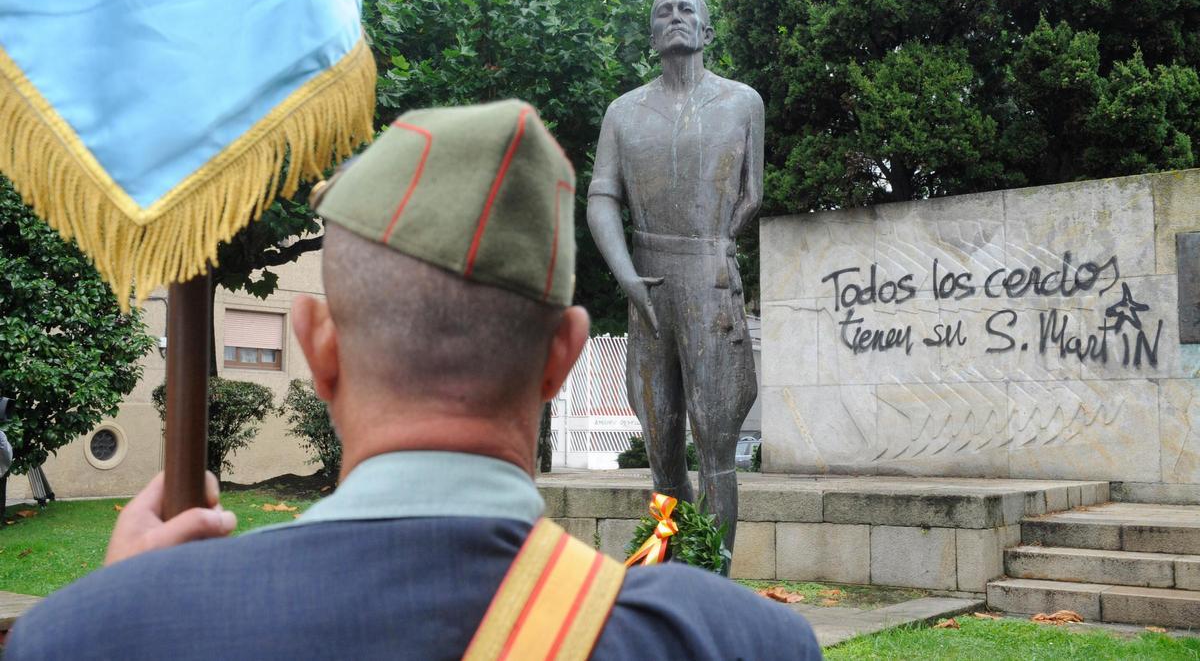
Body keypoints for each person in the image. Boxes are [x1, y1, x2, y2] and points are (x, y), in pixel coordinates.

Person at [6, 100, 819, 660]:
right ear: (563, 355)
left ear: (319, 347)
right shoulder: (742, 644)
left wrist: (130, 609)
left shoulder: (89, 638)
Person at [587, 0, 763, 557]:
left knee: (716, 447)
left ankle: (712, 572)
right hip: (648, 284)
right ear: (652, 35)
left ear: (707, 31)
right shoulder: (623, 112)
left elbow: (751, 196)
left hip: (711, 282)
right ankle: (669, 563)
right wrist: (626, 274)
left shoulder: (743, 102)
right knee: (661, 446)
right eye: (665, 11)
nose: (676, 16)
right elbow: (601, 197)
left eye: (688, 9)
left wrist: (712, 247)